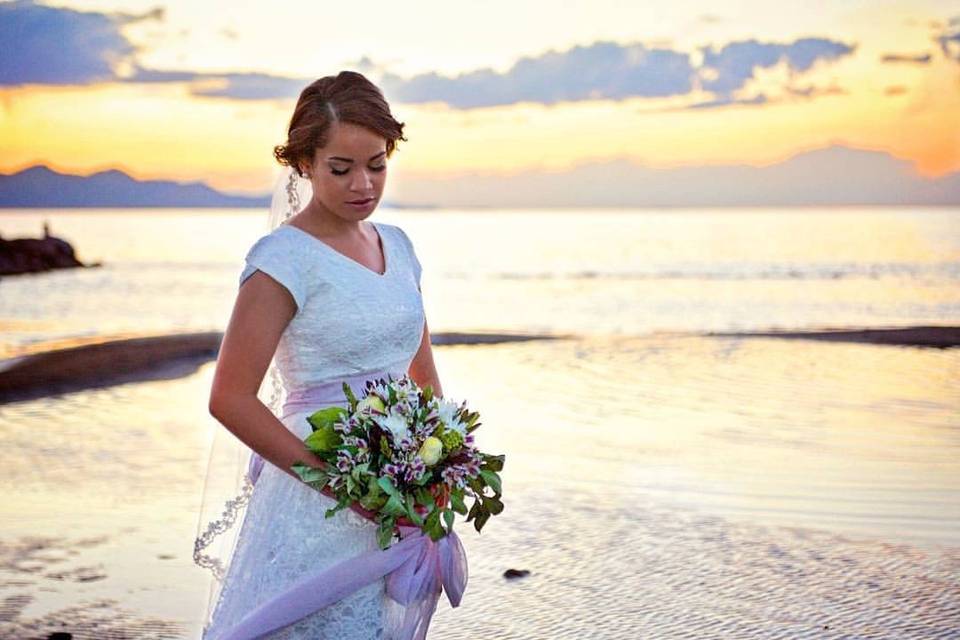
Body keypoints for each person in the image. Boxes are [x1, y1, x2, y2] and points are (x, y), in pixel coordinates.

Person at [197, 70, 447, 639]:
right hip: (316, 500)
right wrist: (342, 486)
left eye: (377, 163)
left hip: (398, 492)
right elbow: (230, 397)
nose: (364, 183)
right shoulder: (283, 259)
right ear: (304, 163)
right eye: (341, 168)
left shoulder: (400, 248)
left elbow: (424, 377)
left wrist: (438, 470)